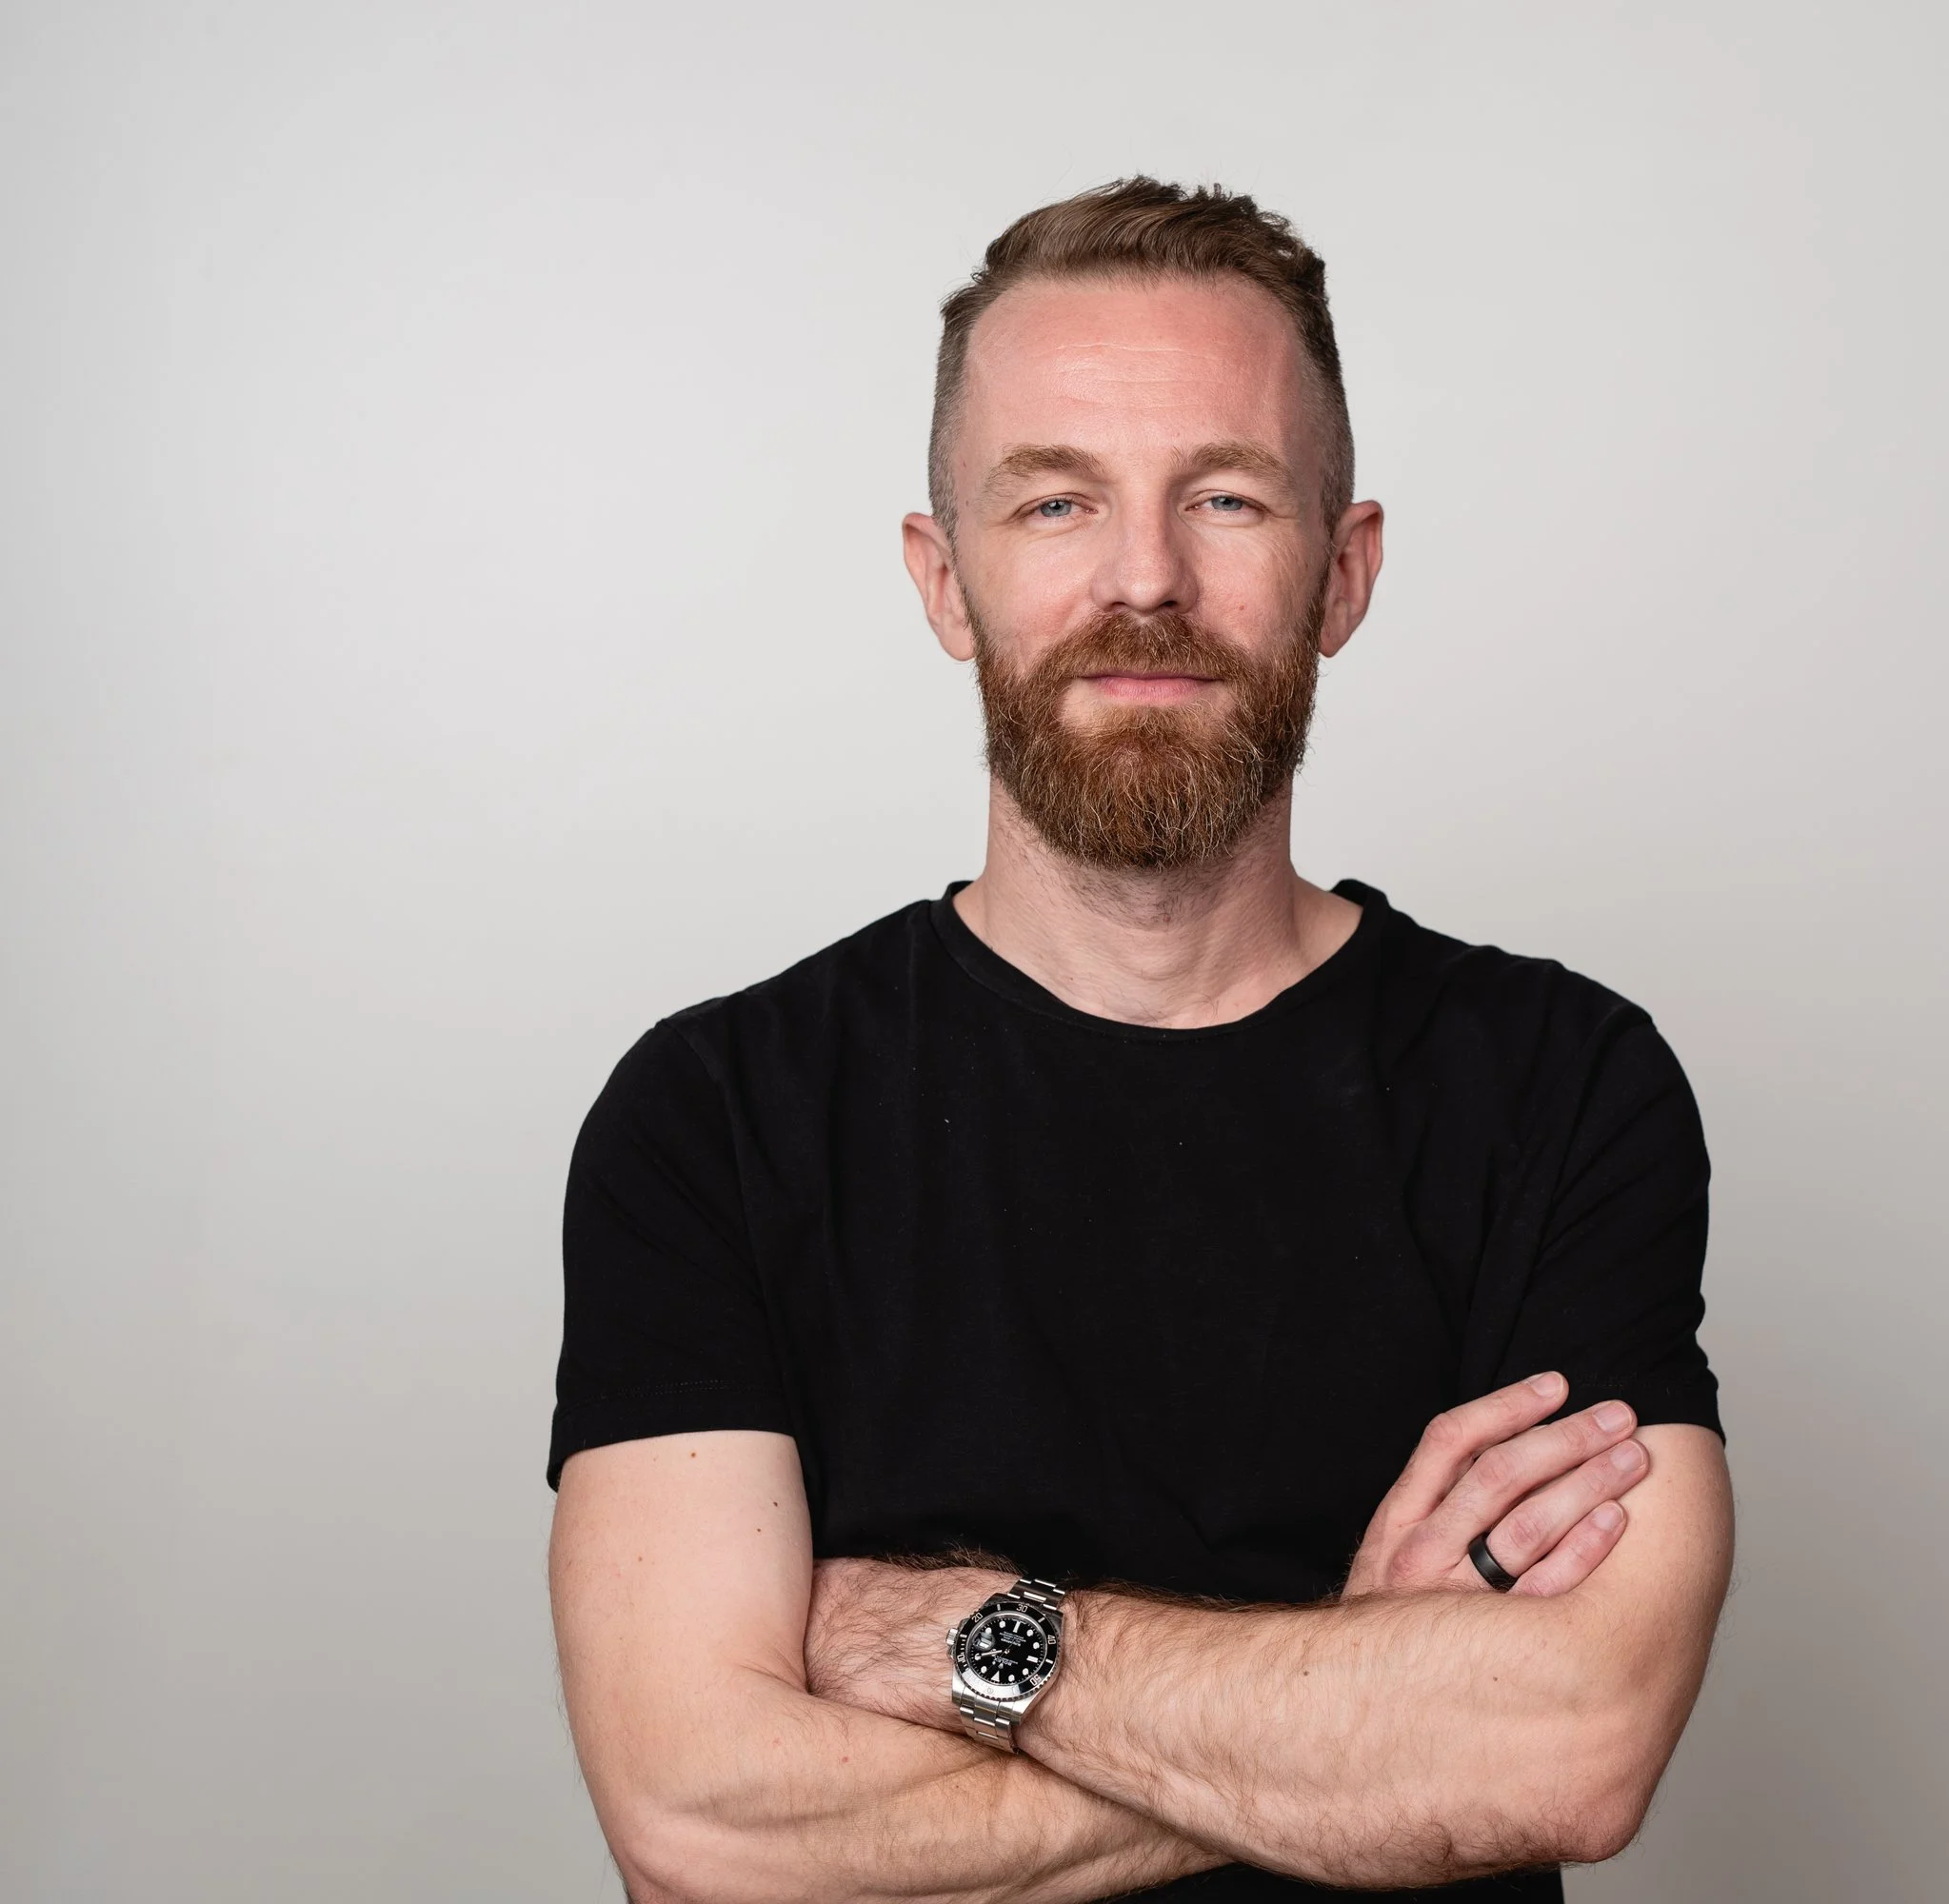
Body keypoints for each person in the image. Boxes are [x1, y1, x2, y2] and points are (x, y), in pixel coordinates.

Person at [547, 177, 1733, 1904]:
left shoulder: (1563, 1084)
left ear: (1343, 572)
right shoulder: (713, 1118)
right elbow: (703, 1830)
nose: (1145, 580)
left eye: (1226, 497)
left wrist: (955, 1636)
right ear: (946, 583)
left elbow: (1571, 1747)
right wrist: (1362, 1686)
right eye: (1056, 502)